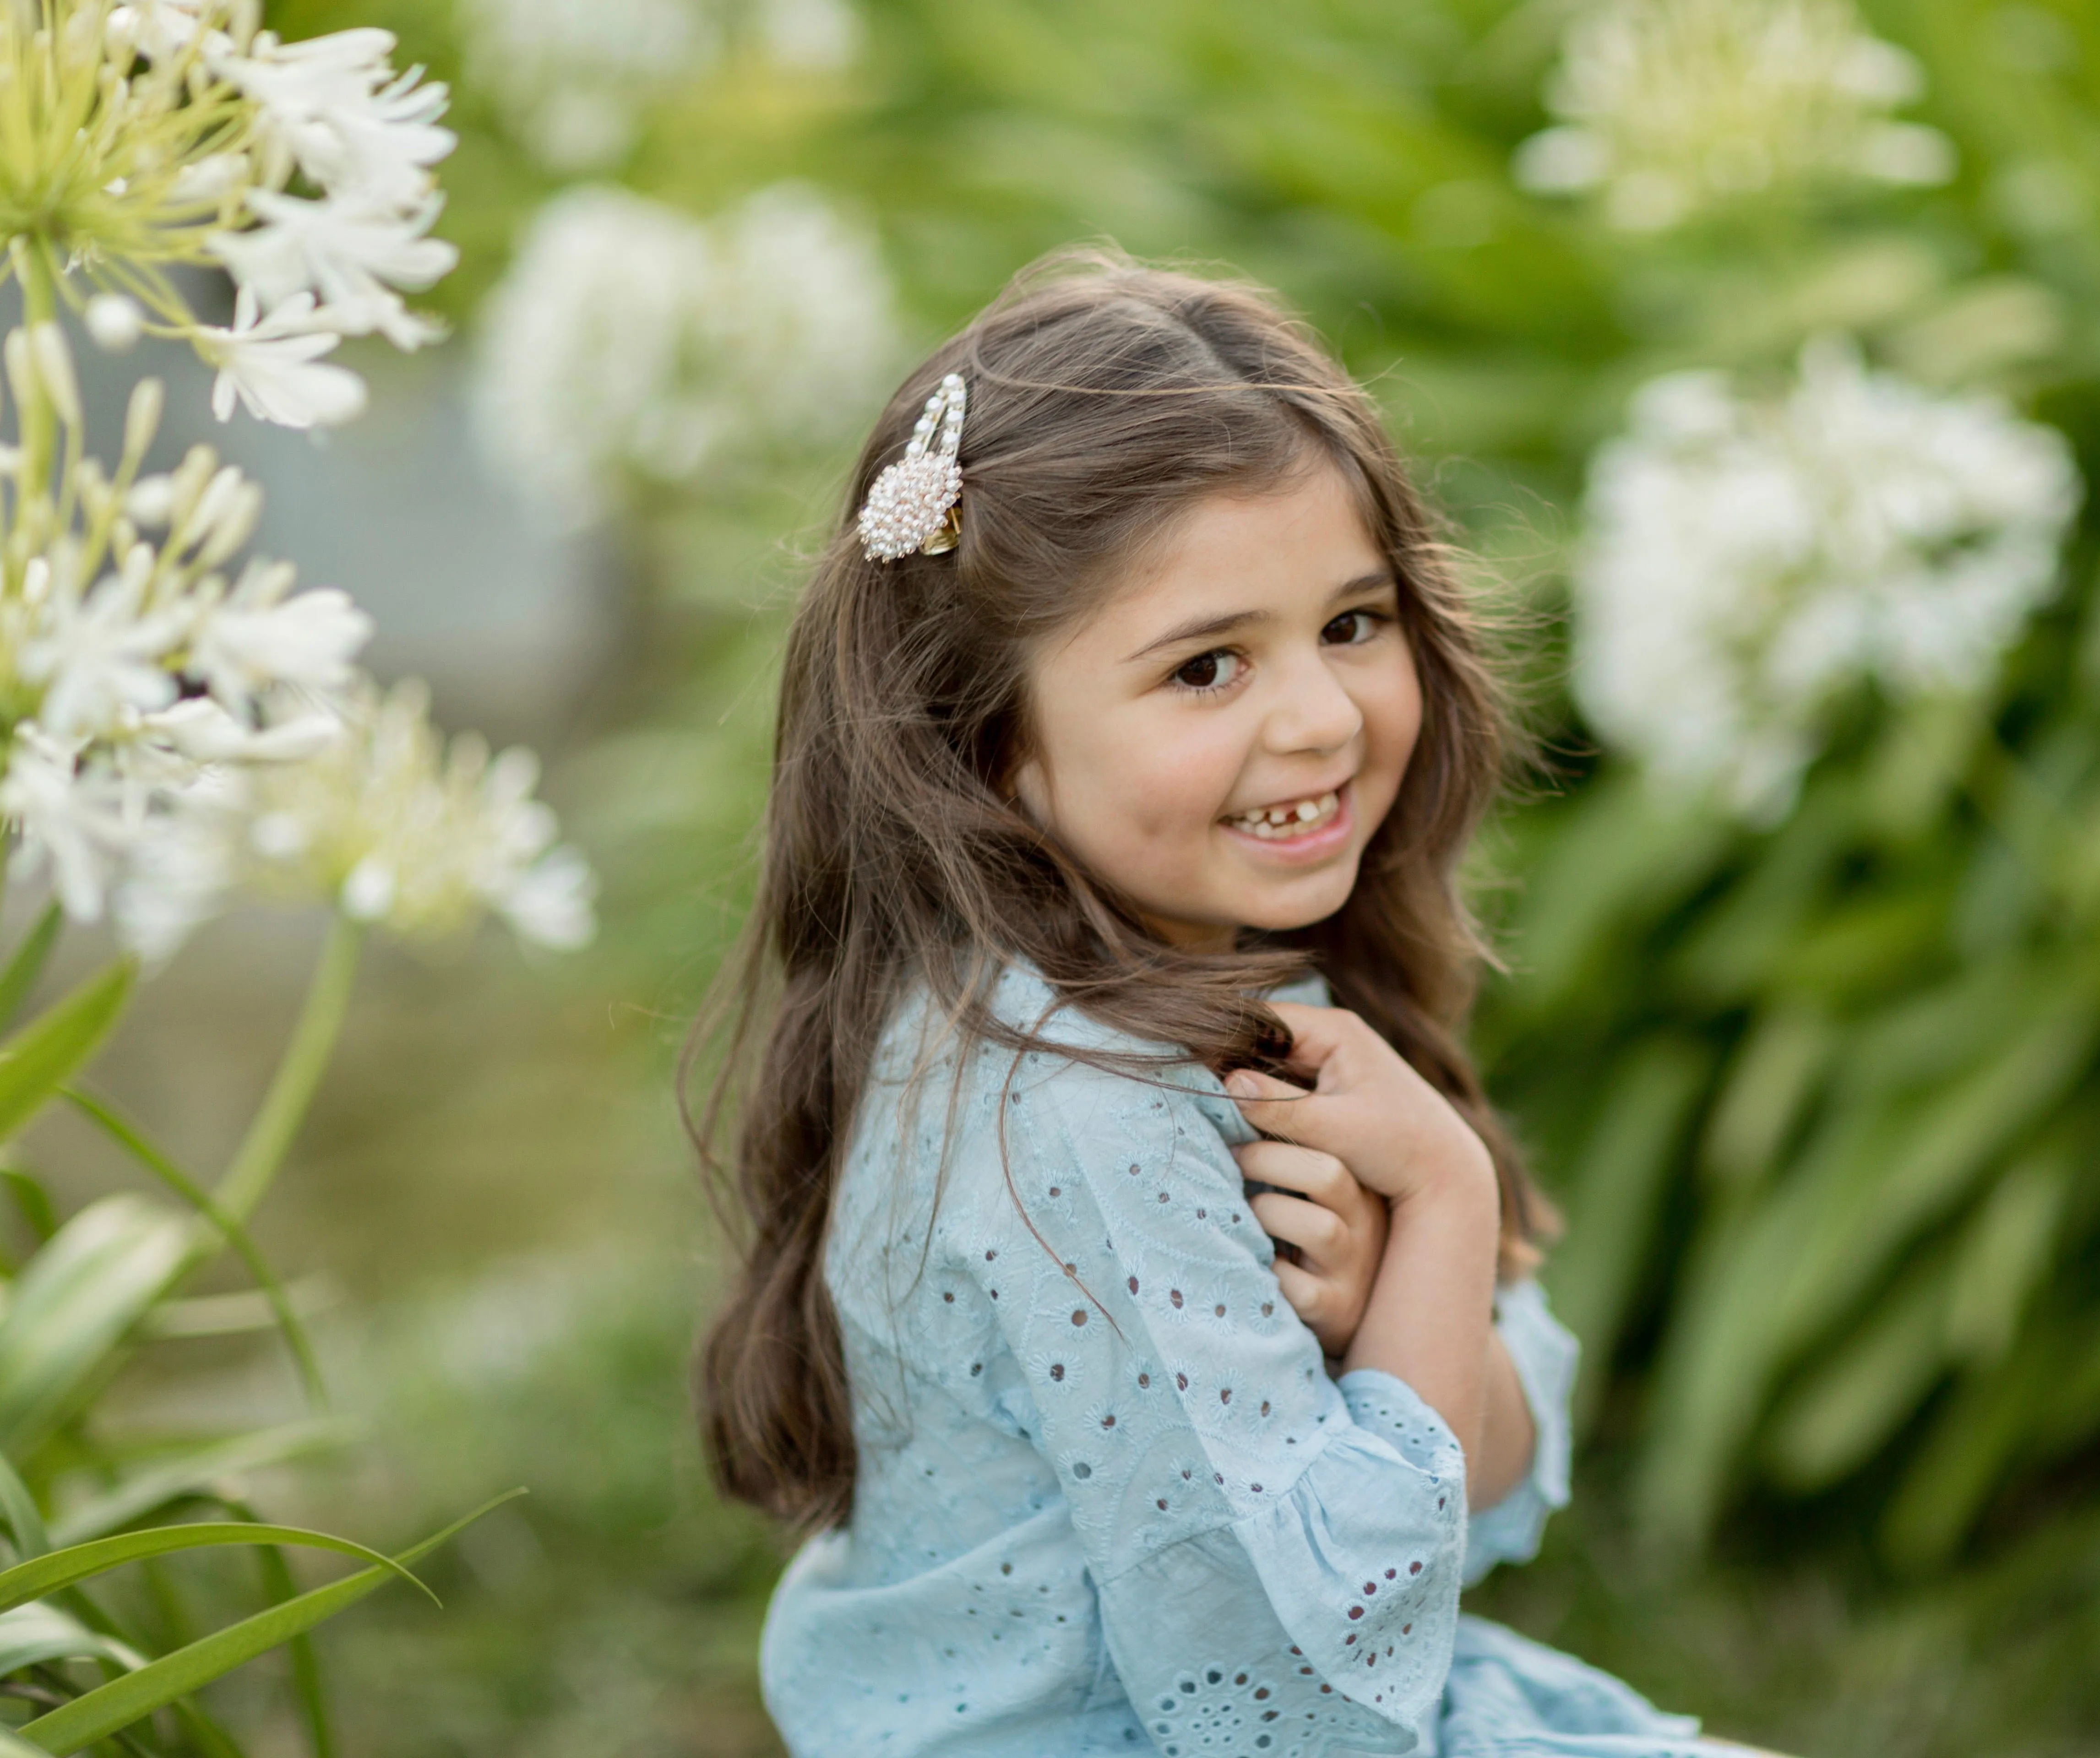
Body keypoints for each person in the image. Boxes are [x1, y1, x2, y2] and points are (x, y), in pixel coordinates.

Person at [690, 248, 1784, 1758]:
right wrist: (1446, 1206)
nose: (1324, 717)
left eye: (1352, 623)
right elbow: (1302, 1706)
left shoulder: (1185, 985)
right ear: (987, 742)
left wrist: (1385, 1307)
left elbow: (1479, 1465)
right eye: (1208, 667)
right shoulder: (1075, 1117)